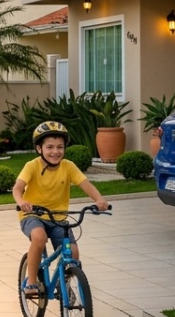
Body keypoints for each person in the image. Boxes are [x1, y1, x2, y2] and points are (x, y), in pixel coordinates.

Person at [11, 121, 109, 298]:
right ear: (39, 149)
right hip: (32, 214)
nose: (55, 151)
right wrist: (22, 201)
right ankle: (31, 282)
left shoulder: (68, 166)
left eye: (60, 147)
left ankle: (63, 282)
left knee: (73, 252)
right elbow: (17, 188)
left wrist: (99, 199)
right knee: (39, 238)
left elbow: (85, 184)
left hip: (58, 217)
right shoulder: (32, 166)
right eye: (49, 147)